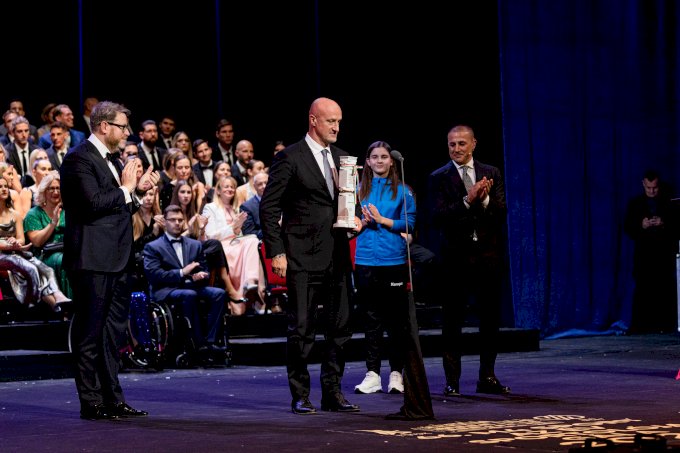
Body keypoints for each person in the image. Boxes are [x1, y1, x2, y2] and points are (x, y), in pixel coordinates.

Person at [260, 97, 362, 415]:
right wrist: (277, 251)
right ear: (313, 120)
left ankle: (332, 392)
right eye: (331, 121)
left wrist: (356, 219)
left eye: (339, 121)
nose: (336, 127)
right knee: (302, 329)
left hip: (337, 256)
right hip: (302, 256)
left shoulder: (343, 158)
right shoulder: (290, 157)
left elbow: (349, 203)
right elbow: (269, 207)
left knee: (340, 327)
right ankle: (300, 394)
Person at [60, 100, 159, 421]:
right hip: (92, 260)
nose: (127, 133)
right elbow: (92, 204)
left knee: (112, 336)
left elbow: (117, 209)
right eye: (123, 127)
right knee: (89, 334)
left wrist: (137, 192)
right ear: (104, 126)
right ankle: (91, 402)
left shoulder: (112, 160)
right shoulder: (78, 158)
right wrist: (127, 189)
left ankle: (114, 399)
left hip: (118, 259)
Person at [351, 141, 434, 420]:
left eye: (384, 157)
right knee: (371, 320)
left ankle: (396, 373)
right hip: (365, 260)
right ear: (367, 161)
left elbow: (409, 223)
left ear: (391, 161)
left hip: (393, 261)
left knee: (396, 322)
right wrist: (361, 223)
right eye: (374, 157)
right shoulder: (358, 189)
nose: (379, 161)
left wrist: (382, 219)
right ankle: (372, 373)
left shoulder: (403, 190)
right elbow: (351, 222)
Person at [428, 124, 510, 397]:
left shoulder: (491, 173)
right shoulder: (438, 177)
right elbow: (437, 217)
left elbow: (501, 212)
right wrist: (467, 200)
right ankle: (452, 381)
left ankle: (487, 376)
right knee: (452, 322)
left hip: (488, 258)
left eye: (462, 143)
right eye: (452, 144)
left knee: (489, 320)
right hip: (455, 260)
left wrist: (484, 201)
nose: (456, 149)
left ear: (473, 144)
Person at [143, 205, 227, 366]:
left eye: (180, 220)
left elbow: (204, 269)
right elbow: (154, 275)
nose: (177, 223)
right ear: (165, 222)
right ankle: (198, 343)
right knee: (189, 295)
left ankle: (210, 342)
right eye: (173, 220)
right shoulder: (153, 247)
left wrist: (200, 276)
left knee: (218, 293)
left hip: (191, 286)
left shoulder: (194, 245)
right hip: (166, 290)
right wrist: (182, 272)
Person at [0, 175, 71, 312]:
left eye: (5, 186)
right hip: (7, 254)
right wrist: (9, 245)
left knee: (46, 269)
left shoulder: (15, 214)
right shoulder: (34, 214)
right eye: (0, 187)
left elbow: (21, 239)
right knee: (32, 268)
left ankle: (59, 297)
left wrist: (16, 242)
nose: (4, 189)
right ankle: (41, 304)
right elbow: (36, 242)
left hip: (16, 252)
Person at [624, 170, 679, 333]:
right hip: (644, 254)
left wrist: (664, 223)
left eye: (655, 188)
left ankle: (664, 325)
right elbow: (628, 227)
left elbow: (677, 227)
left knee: (664, 289)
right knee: (643, 289)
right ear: (643, 184)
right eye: (649, 188)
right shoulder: (635, 204)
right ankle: (641, 325)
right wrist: (641, 225)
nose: (652, 191)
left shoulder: (669, 203)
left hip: (663, 253)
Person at [23, 171, 72, 299]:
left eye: (58, 188)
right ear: (44, 191)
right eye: (51, 188)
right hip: (44, 255)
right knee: (63, 260)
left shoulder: (68, 211)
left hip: (68, 250)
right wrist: (53, 223)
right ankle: (68, 304)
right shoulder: (34, 214)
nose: (55, 192)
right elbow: (37, 241)